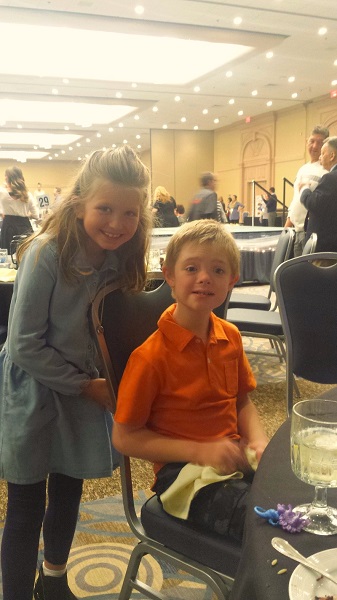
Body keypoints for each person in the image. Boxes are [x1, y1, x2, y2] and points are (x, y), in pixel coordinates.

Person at [0, 145, 152, 600]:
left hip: (84, 392)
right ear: (79, 201)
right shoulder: (47, 253)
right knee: (26, 503)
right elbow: (25, 344)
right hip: (35, 390)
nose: (116, 223)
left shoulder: (121, 256)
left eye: (129, 213)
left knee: (69, 490)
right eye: (105, 208)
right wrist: (87, 385)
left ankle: (54, 578)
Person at [113, 220, 269, 542]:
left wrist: (259, 441)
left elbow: (242, 401)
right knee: (262, 523)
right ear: (168, 274)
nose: (204, 278)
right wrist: (200, 452)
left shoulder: (231, 337)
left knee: (298, 492)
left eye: (217, 270)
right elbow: (124, 438)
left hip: (234, 454)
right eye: (191, 268)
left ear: (232, 281)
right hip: (181, 473)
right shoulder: (150, 357)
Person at [285, 125, 329, 256]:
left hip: (310, 233)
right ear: (307, 142)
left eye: (320, 143)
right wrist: (288, 223)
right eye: (312, 141)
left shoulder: (326, 171)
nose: (315, 146)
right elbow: (296, 200)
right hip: (296, 231)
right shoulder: (303, 169)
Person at [299, 136, 337, 251]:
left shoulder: (330, 178)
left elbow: (314, 203)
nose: (320, 157)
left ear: (332, 156)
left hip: (325, 247)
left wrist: (305, 188)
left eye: (323, 153)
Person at [0, 167, 39, 253]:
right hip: (25, 227)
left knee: (8, 254)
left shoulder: (2, 192)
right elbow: (36, 215)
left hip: (8, 227)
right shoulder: (28, 195)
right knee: (25, 253)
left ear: (7, 178)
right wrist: (26, 214)